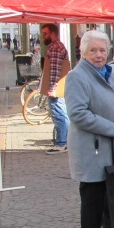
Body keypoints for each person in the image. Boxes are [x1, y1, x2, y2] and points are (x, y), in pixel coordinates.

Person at [64, 30, 114, 228]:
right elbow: (78, 113)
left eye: (102, 50)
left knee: (109, 198)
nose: (98, 55)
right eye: (93, 50)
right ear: (83, 52)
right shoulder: (77, 77)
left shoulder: (108, 73)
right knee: (92, 199)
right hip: (92, 149)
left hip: (112, 148)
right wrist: (110, 127)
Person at [40, 23, 71, 154]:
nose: (43, 36)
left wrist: (53, 88)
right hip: (59, 87)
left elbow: (55, 70)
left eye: (45, 33)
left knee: (59, 115)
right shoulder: (58, 46)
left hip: (56, 88)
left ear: (52, 33)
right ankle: (65, 142)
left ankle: (62, 143)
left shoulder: (55, 48)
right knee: (61, 113)